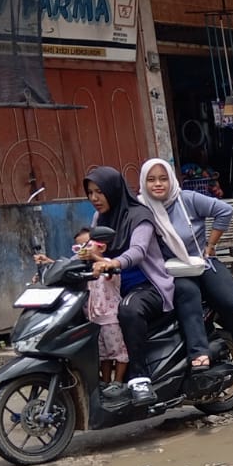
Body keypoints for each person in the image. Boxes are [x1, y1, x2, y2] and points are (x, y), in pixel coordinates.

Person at [137, 158, 233, 383]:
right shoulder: (142, 209)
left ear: (171, 180)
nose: (158, 184)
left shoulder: (187, 200)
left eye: (163, 178)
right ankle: (199, 355)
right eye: (151, 179)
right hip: (173, 272)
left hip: (203, 264)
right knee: (188, 297)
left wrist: (211, 245)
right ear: (143, 182)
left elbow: (225, 210)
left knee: (230, 303)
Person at [84, 166, 175, 406]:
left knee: (128, 310)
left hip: (149, 286)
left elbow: (137, 251)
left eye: (99, 192)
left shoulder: (140, 216)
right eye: (90, 193)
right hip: (114, 286)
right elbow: (94, 247)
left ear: (113, 191)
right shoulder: (99, 218)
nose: (94, 198)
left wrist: (113, 262)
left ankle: (139, 379)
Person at [75, 227, 128, 391]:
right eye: (78, 248)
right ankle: (105, 382)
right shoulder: (83, 269)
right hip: (94, 320)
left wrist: (96, 259)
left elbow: (109, 270)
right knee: (103, 355)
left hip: (110, 319)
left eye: (87, 246)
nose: (83, 251)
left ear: (102, 247)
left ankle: (118, 381)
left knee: (118, 352)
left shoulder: (107, 264)